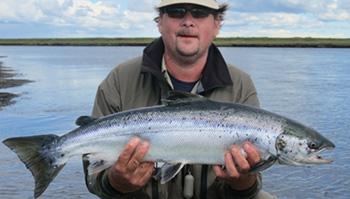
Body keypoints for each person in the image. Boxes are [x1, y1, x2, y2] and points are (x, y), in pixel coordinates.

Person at [83, 0, 276, 198]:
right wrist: (116, 183)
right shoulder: (120, 79)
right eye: (176, 12)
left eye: (199, 12)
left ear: (217, 24)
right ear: (159, 22)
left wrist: (244, 182)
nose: (188, 21)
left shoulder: (241, 84)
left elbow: (250, 185)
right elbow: (93, 173)